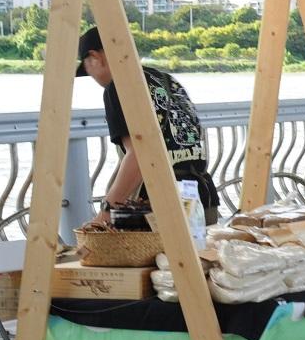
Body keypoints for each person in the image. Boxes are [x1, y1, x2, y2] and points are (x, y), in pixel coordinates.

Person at [76, 27, 220, 225]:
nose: (92, 75)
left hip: (162, 203)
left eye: (87, 69)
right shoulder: (167, 80)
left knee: (158, 257)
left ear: (94, 57)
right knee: (200, 255)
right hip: (201, 196)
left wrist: (106, 213)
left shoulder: (119, 86)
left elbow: (138, 156)